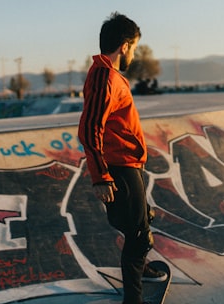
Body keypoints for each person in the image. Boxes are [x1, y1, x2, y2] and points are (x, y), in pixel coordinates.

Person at [78, 12, 166, 304]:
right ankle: (134, 298)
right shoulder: (105, 75)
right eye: (135, 48)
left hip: (127, 165)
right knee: (138, 236)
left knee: (142, 221)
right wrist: (100, 177)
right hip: (118, 168)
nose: (134, 54)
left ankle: (142, 268)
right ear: (125, 46)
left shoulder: (110, 76)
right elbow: (90, 128)